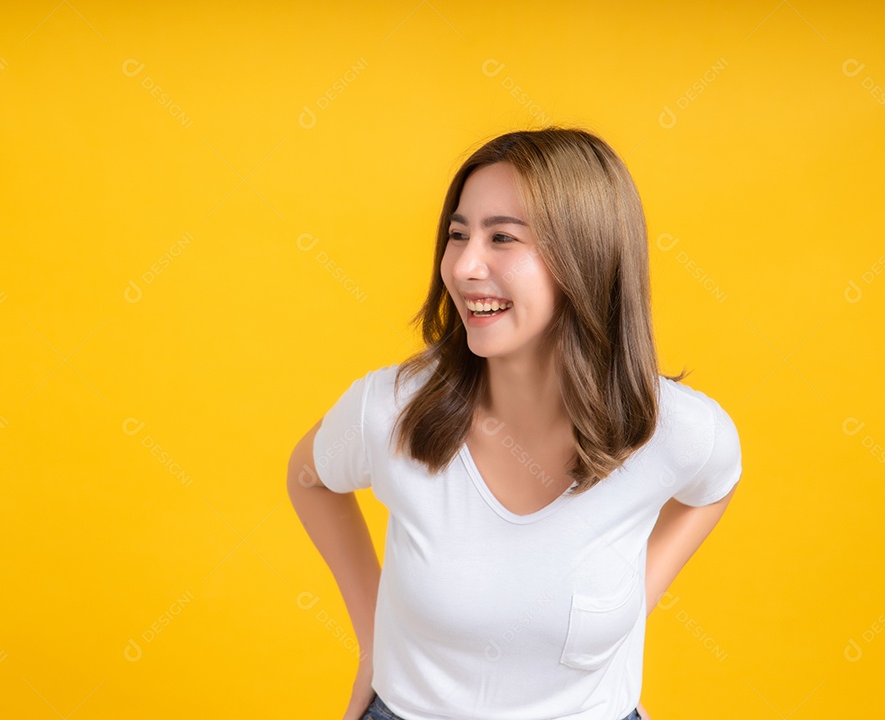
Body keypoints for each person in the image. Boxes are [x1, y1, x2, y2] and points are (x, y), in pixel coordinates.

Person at [287, 126, 743, 720]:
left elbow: (717, 483)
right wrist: (373, 636)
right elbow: (310, 477)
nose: (464, 265)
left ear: (586, 256)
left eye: (502, 237)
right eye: (458, 234)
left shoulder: (672, 430)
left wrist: (635, 599)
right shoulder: (391, 409)